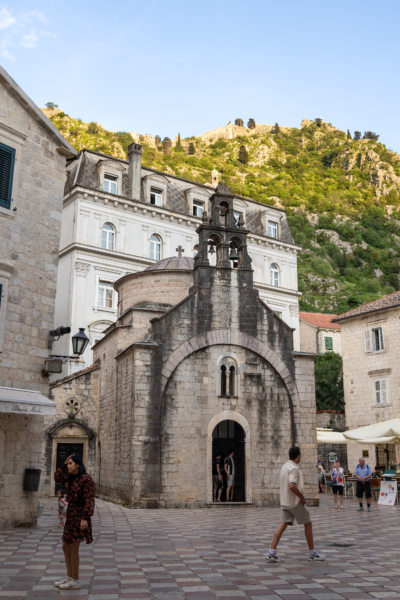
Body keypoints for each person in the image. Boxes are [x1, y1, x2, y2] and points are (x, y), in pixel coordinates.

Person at [266, 446, 325, 562]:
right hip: (294, 502)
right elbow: (292, 485)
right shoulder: (293, 468)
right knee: (308, 523)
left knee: (282, 524)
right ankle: (312, 553)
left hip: (285, 502)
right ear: (298, 456)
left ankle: (271, 552)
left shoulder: (284, 467)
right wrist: (301, 497)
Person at [53, 454, 96, 590]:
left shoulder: (86, 479)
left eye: (70, 463)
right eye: (68, 464)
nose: (68, 466)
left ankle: (75, 580)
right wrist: (63, 464)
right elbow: (57, 477)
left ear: (78, 465)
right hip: (71, 516)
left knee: (73, 547)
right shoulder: (72, 479)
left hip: (79, 517)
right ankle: (69, 576)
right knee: (66, 545)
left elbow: (89, 500)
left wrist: (84, 517)